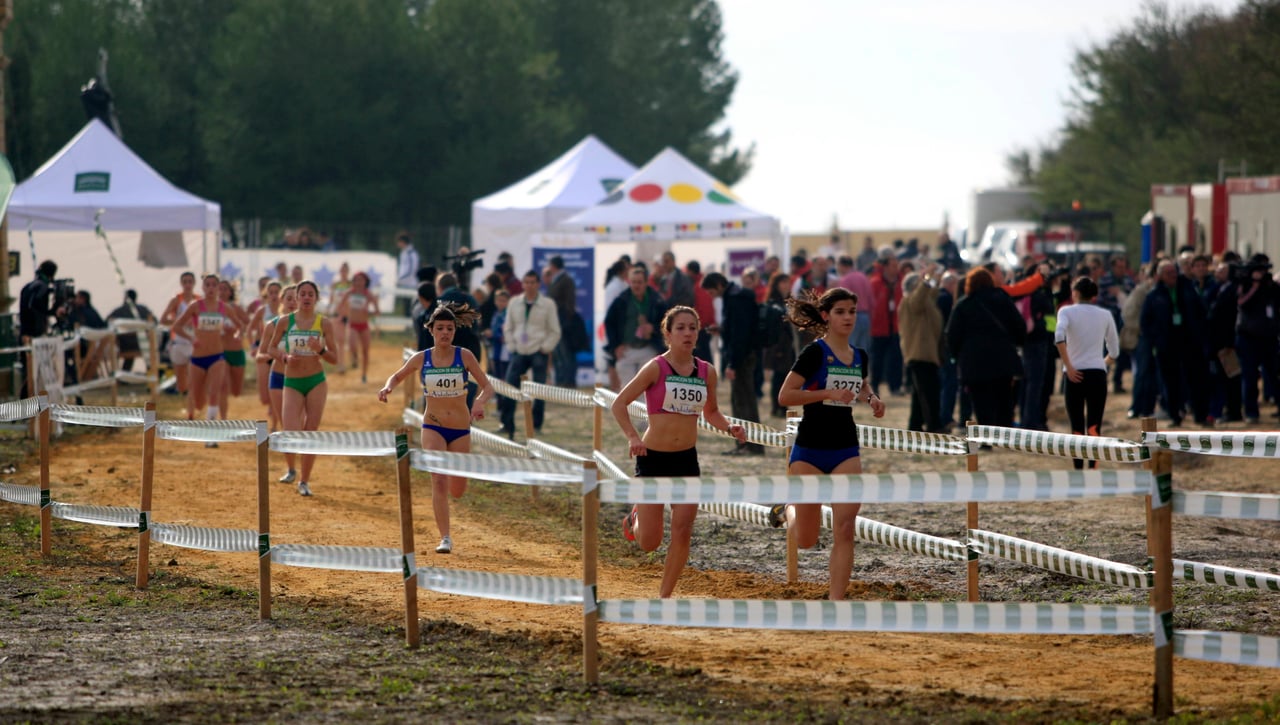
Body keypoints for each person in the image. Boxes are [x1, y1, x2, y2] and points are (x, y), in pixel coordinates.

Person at [612, 306, 745, 598]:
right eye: (681, 328)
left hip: (686, 460)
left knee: (683, 530)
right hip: (652, 460)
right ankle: (635, 518)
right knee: (650, 542)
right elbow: (619, 404)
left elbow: (712, 413)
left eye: (693, 328)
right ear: (668, 334)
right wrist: (633, 437)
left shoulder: (707, 371)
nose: (687, 333)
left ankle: (665, 596)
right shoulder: (656, 368)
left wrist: (729, 427)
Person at [771, 287, 886, 601]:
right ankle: (789, 509)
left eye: (852, 311)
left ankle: (836, 602)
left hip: (845, 448)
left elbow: (860, 384)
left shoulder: (860, 355)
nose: (848, 317)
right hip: (809, 449)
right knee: (806, 540)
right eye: (840, 312)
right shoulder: (814, 353)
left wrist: (872, 399)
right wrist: (826, 394)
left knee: (845, 528)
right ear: (826, 316)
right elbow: (785, 396)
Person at [379, 303, 493, 555]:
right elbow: (397, 376)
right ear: (431, 330)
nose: (445, 333)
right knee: (438, 481)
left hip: (461, 429)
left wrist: (479, 402)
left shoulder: (464, 356)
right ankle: (445, 537)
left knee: (458, 489)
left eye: (449, 329)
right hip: (433, 426)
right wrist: (388, 388)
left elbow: (487, 386)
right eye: (440, 328)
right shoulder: (422, 358)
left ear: (454, 331)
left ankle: (454, 497)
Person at [264, 280, 339, 496]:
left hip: (316, 381)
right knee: (290, 430)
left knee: (310, 432)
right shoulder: (285, 322)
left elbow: (335, 358)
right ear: (296, 298)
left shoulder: (324, 324)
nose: (306, 298)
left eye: (310, 294)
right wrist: (285, 357)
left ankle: (304, 481)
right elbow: (270, 347)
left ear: (316, 298)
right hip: (292, 382)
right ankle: (291, 469)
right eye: (303, 294)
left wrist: (321, 349)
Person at [945, 267, 1026, 427]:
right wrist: (1016, 344)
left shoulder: (963, 305)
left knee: (981, 402)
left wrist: (957, 356)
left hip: (974, 362)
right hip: (1003, 359)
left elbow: (952, 334)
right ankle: (1005, 434)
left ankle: (986, 437)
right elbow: (1019, 326)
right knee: (1004, 398)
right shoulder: (1003, 299)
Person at [1054, 276, 1120, 469]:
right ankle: (1093, 466)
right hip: (1097, 374)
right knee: (1094, 424)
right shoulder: (1105, 314)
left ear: (1075, 293)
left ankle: (1078, 467)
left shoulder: (1066, 311)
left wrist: (1069, 366)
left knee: (1076, 424)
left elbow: (1059, 337)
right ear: (1094, 296)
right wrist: (1102, 363)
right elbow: (1114, 351)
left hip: (1074, 374)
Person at [701, 272, 764, 455]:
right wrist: (721, 330)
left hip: (741, 358)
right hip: (744, 355)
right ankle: (746, 444)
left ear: (719, 285)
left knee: (743, 402)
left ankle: (750, 445)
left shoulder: (736, 299)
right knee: (741, 400)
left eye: (711, 291)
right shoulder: (735, 296)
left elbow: (740, 336)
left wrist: (732, 365)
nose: (711, 296)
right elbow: (738, 328)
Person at [1140, 260, 1210, 428]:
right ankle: (1175, 415)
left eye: (1174, 272)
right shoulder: (1153, 295)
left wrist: (1200, 335)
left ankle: (1200, 415)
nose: (1172, 276)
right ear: (1160, 276)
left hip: (1189, 343)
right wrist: (1155, 339)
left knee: (1196, 380)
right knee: (1171, 382)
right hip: (1166, 346)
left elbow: (1201, 312)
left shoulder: (1188, 290)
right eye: (1168, 273)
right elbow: (1145, 322)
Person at [170, 275, 233, 442]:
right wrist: (191, 339)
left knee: (214, 393)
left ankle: (210, 435)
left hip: (217, 356)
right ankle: (198, 409)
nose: (211, 288)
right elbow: (176, 326)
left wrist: (231, 333)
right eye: (208, 285)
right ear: (203, 288)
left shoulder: (223, 307)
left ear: (218, 288)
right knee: (198, 402)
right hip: (197, 358)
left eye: (214, 285)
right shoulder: (195, 306)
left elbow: (240, 326)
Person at [498, 270, 561, 438]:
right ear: (523, 284)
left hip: (538, 350)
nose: (529, 285)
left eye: (533, 282)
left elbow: (555, 331)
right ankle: (506, 422)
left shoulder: (548, 304)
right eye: (526, 282)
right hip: (519, 350)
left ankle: (536, 425)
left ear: (538, 284)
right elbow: (508, 327)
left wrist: (545, 348)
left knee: (539, 389)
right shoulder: (514, 302)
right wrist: (511, 345)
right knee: (510, 387)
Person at [257, 285, 299, 478]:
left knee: (302, 423)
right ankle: (291, 468)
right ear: (281, 301)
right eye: (288, 298)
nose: (292, 302)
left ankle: (302, 463)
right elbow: (261, 352)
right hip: (278, 377)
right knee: (286, 424)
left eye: (295, 298)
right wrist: (272, 356)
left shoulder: (307, 326)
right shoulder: (273, 325)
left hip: (301, 379)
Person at [605, 266, 667, 388]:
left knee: (647, 389)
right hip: (627, 351)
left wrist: (653, 328)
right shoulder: (621, 300)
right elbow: (609, 323)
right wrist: (615, 346)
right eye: (633, 282)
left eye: (639, 282)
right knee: (628, 390)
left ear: (646, 283)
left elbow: (667, 323)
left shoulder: (657, 301)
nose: (636, 286)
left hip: (649, 349)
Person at [898, 269, 944, 432]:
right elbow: (919, 298)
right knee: (929, 393)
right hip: (919, 354)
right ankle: (934, 425)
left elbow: (930, 295)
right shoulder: (910, 301)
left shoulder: (924, 301)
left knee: (920, 394)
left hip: (926, 353)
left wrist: (934, 281)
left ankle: (915, 424)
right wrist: (926, 281)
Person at [160, 271, 200, 417]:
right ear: (181, 284)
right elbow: (163, 320)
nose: (188, 284)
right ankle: (188, 401)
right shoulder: (176, 300)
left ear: (194, 283)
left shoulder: (198, 301)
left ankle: (191, 412)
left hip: (194, 343)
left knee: (193, 378)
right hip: (178, 343)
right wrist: (179, 322)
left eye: (190, 281)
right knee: (182, 385)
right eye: (185, 282)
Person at [867, 247, 903, 397]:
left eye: (897, 265)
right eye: (893, 265)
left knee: (896, 358)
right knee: (877, 359)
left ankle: (895, 386)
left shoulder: (901, 282)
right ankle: (875, 386)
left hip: (896, 327)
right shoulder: (875, 283)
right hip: (879, 328)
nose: (896, 268)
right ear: (886, 267)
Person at [762, 272, 797, 418]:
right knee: (778, 378)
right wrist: (776, 348)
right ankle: (777, 407)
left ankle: (782, 407)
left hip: (789, 347)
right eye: (783, 283)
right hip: (777, 346)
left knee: (785, 377)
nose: (786, 286)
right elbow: (773, 329)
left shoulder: (790, 302)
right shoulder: (772, 304)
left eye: (787, 283)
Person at [215, 280, 251, 420]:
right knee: (223, 387)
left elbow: (248, 323)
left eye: (225, 289)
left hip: (236, 352)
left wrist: (238, 333)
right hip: (220, 353)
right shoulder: (212, 309)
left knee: (236, 392)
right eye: (220, 289)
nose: (222, 292)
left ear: (230, 292)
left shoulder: (235, 308)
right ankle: (223, 419)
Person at [337, 271, 380, 384]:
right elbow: (340, 306)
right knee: (352, 345)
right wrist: (343, 316)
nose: (358, 282)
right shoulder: (349, 293)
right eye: (356, 279)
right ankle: (355, 359)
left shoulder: (368, 294)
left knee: (365, 351)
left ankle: (364, 374)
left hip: (364, 325)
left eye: (361, 280)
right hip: (352, 324)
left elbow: (377, 312)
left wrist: (369, 312)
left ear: (365, 281)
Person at [545, 255, 578, 387]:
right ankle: (561, 380)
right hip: (555, 322)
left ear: (553, 266)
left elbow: (570, 303)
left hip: (563, 323)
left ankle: (568, 382)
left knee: (566, 355)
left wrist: (566, 322)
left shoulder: (566, 280)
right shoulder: (556, 280)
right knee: (559, 355)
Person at [106, 289, 155, 373]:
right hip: (144, 343)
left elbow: (107, 323)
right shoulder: (143, 309)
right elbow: (154, 322)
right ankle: (151, 371)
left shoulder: (118, 311)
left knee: (129, 353)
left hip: (125, 344)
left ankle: (125, 375)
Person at [328, 262, 352, 373]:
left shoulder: (351, 285)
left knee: (344, 340)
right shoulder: (335, 285)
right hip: (337, 313)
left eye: (345, 271)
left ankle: (344, 363)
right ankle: (339, 364)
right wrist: (329, 311)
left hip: (347, 314)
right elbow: (331, 300)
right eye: (342, 271)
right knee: (338, 340)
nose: (343, 273)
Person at [396, 231, 420, 317]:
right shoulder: (404, 252)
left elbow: (411, 270)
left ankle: (410, 325)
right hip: (404, 283)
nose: (397, 244)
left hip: (410, 284)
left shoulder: (411, 254)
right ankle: (407, 326)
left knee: (411, 307)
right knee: (405, 307)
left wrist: (400, 279)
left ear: (403, 242)